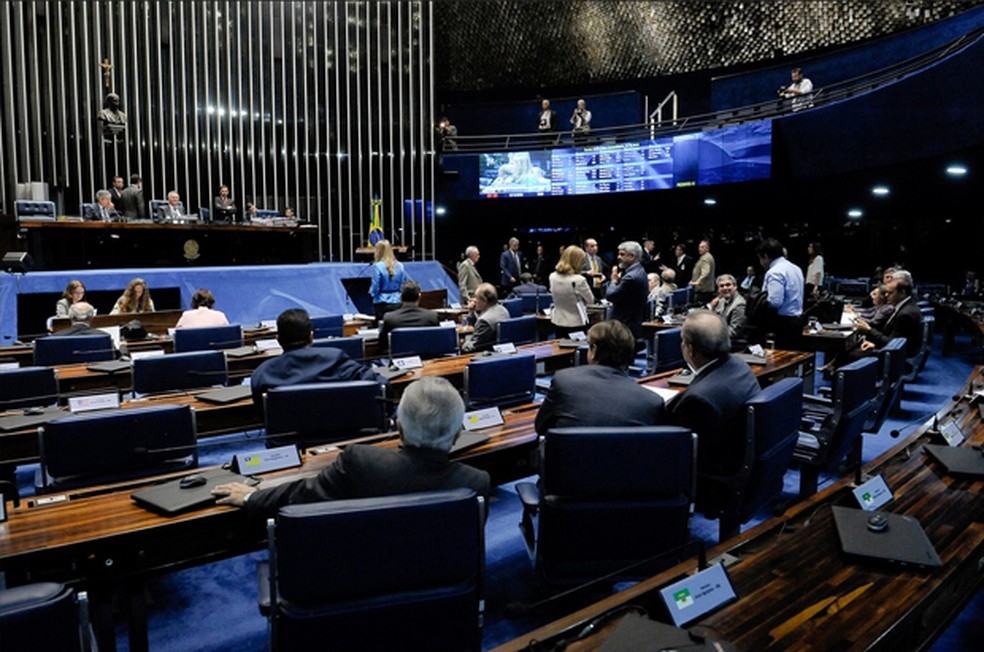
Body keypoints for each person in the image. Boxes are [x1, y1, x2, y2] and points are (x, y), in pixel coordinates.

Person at [212, 376, 492, 517]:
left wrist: (251, 497)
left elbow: (300, 495)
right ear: (457, 434)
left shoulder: (361, 462)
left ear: (399, 427)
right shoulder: (476, 482)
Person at [666, 310, 760, 479]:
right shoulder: (739, 365)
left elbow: (684, 455)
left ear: (690, 349)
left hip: (713, 481)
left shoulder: (699, 401)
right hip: (742, 460)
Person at [535, 320, 666, 434]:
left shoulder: (564, 381)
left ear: (594, 351)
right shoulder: (651, 402)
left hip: (572, 461)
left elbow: (540, 427)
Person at [250, 308, 385, 406]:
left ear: (278, 340)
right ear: (311, 337)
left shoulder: (262, 373)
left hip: (286, 440)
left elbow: (263, 412)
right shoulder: (334, 358)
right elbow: (377, 383)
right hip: (338, 433)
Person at [753, 237, 804, 348]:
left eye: (760, 259)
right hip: (797, 320)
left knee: (777, 360)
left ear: (765, 256)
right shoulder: (796, 268)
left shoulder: (774, 272)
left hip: (782, 324)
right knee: (792, 358)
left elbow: (775, 302)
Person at [377, 280, 440, 354]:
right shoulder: (432, 316)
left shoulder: (389, 318)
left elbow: (383, 347)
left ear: (400, 297)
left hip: (399, 361)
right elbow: (437, 344)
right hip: (427, 361)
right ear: (419, 297)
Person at [549, 245, 595, 338]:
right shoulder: (579, 280)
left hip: (558, 321)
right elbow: (591, 301)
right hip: (576, 322)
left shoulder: (552, 276)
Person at [606, 240, 649, 340]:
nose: (618, 257)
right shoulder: (639, 270)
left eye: (622, 254)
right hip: (631, 322)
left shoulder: (631, 277)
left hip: (624, 325)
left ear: (632, 256)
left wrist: (613, 281)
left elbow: (610, 296)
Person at [462, 283, 510, 353]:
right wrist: (472, 312)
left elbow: (470, 348)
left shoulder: (484, 320)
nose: (474, 300)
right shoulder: (503, 310)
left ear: (484, 301)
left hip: (486, 354)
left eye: (476, 297)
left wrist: (462, 343)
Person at [370, 239, 407, 323]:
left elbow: (375, 287)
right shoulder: (400, 265)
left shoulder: (377, 266)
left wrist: (372, 293)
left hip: (382, 302)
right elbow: (403, 285)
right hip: (397, 301)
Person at [708, 274, 748, 350]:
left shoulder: (739, 304)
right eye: (722, 286)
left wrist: (712, 335)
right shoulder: (722, 300)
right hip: (721, 339)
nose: (725, 288)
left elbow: (734, 332)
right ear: (718, 290)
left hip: (730, 344)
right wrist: (713, 309)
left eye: (728, 285)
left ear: (735, 287)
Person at [581, 237, 609, 302]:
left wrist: (603, 277)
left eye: (596, 245)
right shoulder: (581, 259)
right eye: (592, 246)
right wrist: (586, 273)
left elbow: (604, 272)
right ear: (586, 248)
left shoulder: (598, 259)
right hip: (587, 289)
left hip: (599, 290)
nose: (595, 248)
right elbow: (575, 272)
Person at [690, 239, 716, 304]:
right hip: (705, 288)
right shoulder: (705, 257)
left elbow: (706, 272)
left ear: (707, 248)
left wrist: (697, 281)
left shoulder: (706, 258)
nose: (699, 249)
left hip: (704, 289)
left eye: (702, 247)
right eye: (699, 247)